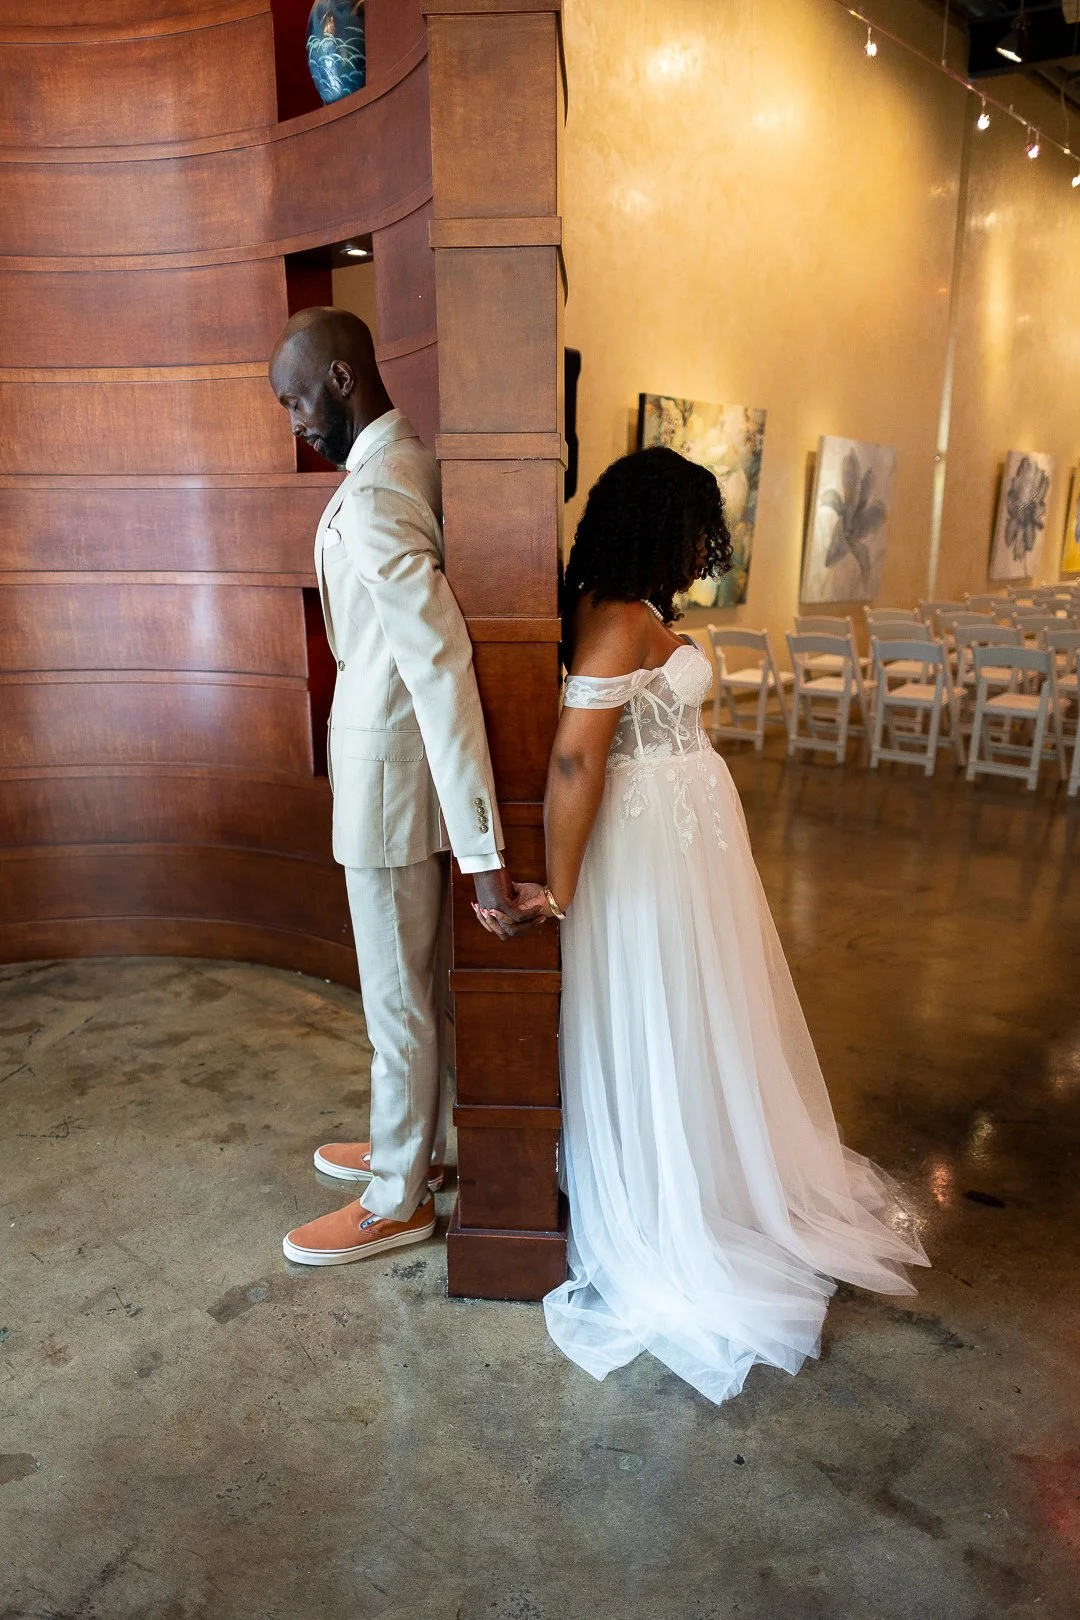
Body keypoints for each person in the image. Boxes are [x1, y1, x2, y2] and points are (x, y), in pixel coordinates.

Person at [477, 446, 929, 1404]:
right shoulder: (619, 620)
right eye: (694, 538)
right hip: (653, 852)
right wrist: (560, 888)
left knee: (695, 1010)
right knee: (670, 1007)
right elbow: (574, 759)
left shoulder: (609, 606)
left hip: (682, 844)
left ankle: (705, 1163)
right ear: (659, 531)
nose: (699, 557)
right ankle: (679, 1196)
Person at [269, 307, 533, 1266]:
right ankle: (411, 1148)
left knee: (397, 1002)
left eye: (297, 400)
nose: (295, 422)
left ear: (342, 379)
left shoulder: (381, 492)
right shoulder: (406, 465)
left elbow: (439, 669)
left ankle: (397, 1197)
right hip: (389, 782)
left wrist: (484, 853)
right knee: (410, 992)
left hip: (390, 798)